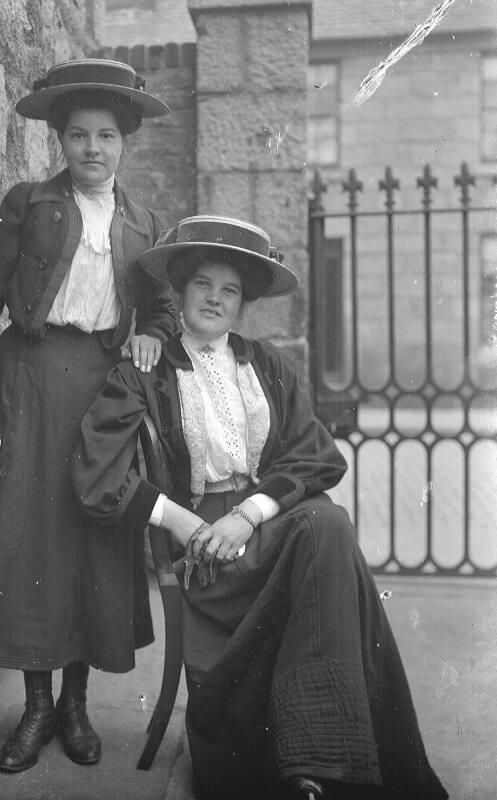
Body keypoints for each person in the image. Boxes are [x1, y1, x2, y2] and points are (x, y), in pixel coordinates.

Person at [72, 215, 448, 800]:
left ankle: (314, 769)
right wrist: (183, 520)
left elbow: (317, 454)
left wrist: (248, 513)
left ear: (243, 302)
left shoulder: (263, 364)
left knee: (326, 523)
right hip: (207, 558)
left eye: (230, 291)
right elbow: (95, 473)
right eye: (202, 284)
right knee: (329, 530)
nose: (215, 300)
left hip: (264, 530)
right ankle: (330, 764)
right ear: (179, 289)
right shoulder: (146, 370)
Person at [0, 59, 177, 773]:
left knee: (93, 539)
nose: (92, 149)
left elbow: (165, 309)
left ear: (125, 142)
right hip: (30, 382)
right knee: (27, 539)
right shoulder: (28, 204)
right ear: (59, 139)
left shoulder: (144, 224)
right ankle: (38, 704)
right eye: (77, 135)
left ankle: (77, 704)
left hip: (103, 396)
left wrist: (153, 333)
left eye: (106, 136)